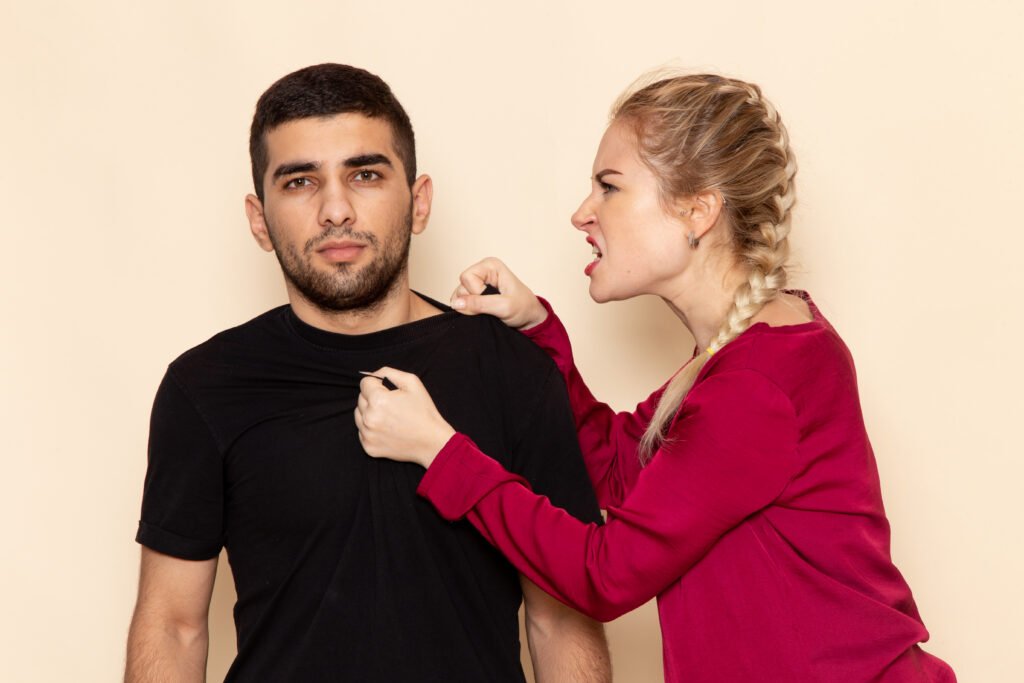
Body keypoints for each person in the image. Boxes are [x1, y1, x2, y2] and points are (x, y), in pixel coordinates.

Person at [355, 73, 957, 682]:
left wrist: (439, 452)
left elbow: (603, 575)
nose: (582, 213)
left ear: (697, 210)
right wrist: (538, 330)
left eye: (610, 187)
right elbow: (621, 469)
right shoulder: (749, 351)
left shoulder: (757, 384)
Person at [124, 63, 610, 683]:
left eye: (366, 174)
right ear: (259, 219)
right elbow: (173, 625)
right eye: (300, 182)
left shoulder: (512, 371)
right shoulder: (204, 388)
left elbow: (560, 620)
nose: (335, 209)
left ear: (419, 202)